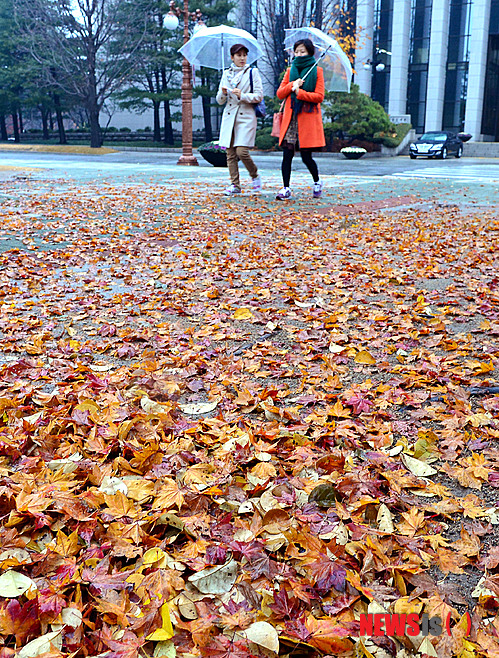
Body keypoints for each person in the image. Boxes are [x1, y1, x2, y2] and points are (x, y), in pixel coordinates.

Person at [275, 38, 325, 200]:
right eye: (296, 51)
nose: (299, 54)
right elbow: (280, 93)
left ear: (310, 53)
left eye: (302, 51)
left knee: (306, 156)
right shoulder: (291, 71)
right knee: (287, 153)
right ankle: (286, 188)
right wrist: (292, 85)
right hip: (291, 118)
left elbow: (319, 96)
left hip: (307, 119)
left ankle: (317, 182)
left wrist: (300, 93)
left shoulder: (317, 72)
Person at [216, 44, 264, 196]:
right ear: (232, 57)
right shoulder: (226, 74)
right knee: (230, 152)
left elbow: (259, 95)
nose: (242, 58)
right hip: (230, 116)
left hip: (246, 116)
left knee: (242, 151)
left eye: (244, 55)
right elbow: (219, 101)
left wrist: (242, 95)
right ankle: (234, 184)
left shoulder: (252, 72)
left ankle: (254, 174)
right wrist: (223, 93)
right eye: (239, 55)